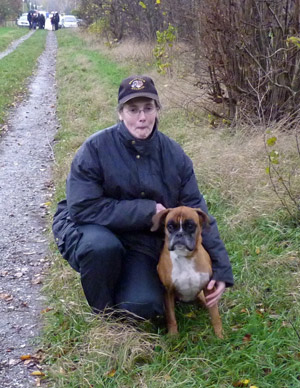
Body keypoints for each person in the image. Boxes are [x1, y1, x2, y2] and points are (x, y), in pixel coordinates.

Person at [52, 75, 234, 320]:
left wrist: (221, 270)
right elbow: (82, 207)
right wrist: (147, 211)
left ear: (157, 110)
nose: (142, 117)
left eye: (148, 108)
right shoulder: (94, 149)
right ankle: (104, 315)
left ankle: (129, 288)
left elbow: (197, 213)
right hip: (92, 228)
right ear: (120, 113)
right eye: (133, 109)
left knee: (144, 308)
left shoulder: (175, 155)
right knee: (102, 249)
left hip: (142, 242)